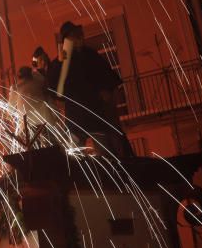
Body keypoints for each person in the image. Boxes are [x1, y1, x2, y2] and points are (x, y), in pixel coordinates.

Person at [45, 21, 133, 157]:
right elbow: (54, 88)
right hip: (77, 117)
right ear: (68, 39)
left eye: (79, 34)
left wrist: (107, 93)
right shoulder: (61, 62)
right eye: (75, 35)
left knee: (104, 154)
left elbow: (107, 77)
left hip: (94, 114)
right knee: (76, 156)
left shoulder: (90, 55)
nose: (80, 37)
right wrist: (59, 64)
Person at [8, 66, 62, 146]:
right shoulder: (38, 81)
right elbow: (42, 79)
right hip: (45, 119)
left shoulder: (16, 88)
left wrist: (11, 113)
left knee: (32, 148)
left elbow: (10, 109)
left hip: (28, 124)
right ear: (31, 74)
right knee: (53, 145)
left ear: (19, 77)